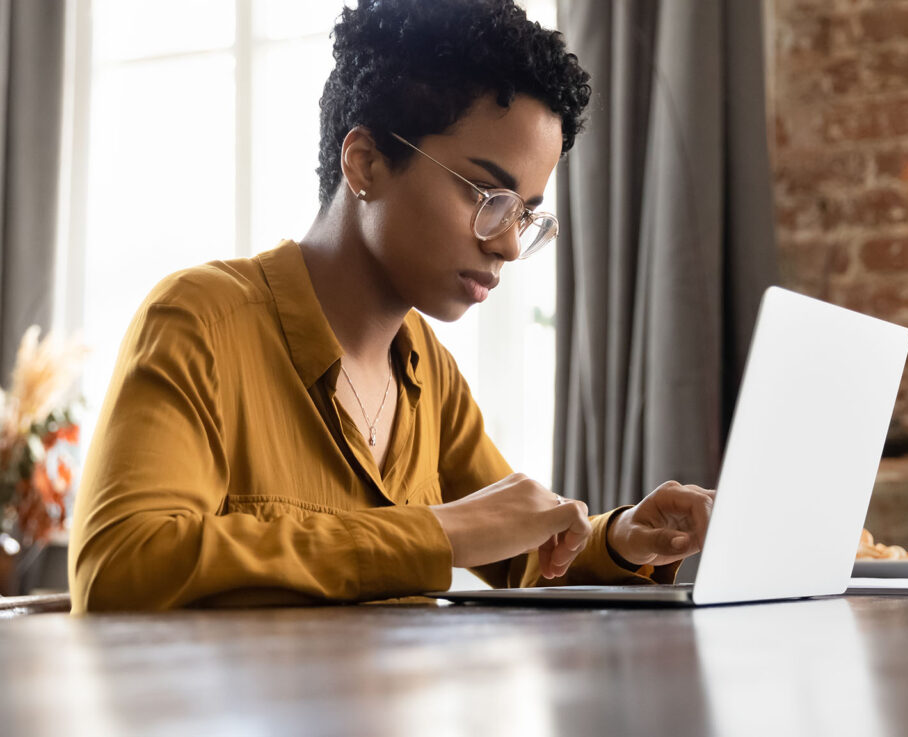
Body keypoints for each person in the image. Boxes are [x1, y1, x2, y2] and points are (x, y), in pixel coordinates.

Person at [68, 0, 715, 612]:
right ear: (366, 163)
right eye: (488, 195)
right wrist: (435, 533)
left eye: (526, 215)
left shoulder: (429, 375)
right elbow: (120, 566)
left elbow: (524, 552)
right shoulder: (199, 325)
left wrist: (622, 536)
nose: (510, 245)